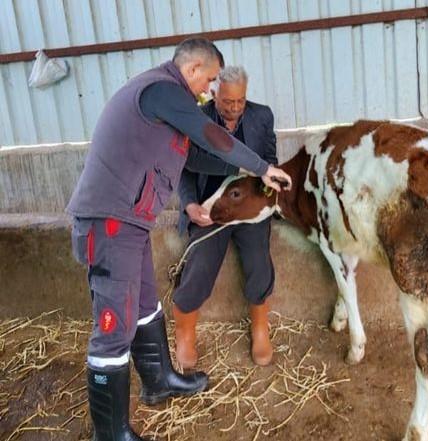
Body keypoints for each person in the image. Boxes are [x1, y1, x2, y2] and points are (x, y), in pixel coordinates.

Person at [66, 38, 291, 441]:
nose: (209, 89)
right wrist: (259, 164)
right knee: (114, 327)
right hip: (108, 222)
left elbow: (199, 156)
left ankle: (159, 381)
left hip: (130, 223)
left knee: (146, 308)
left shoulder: (167, 109)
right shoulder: (162, 91)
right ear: (191, 70)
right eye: (208, 80)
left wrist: (257, 174)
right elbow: (210, 136)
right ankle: (111, 433)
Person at [173, 66, 277, 369]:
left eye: (240, 101)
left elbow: (270, 162)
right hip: (209, 207)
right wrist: (190, 205)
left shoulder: (262, 116)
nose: (234, 109)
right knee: (201, 261)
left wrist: (268, 199)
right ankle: (185, 332)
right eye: (227, 102)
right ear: (213, 94)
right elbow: (184, 168)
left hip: (247, 207)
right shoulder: (196, 118)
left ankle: (260, 328)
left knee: (259, 259)